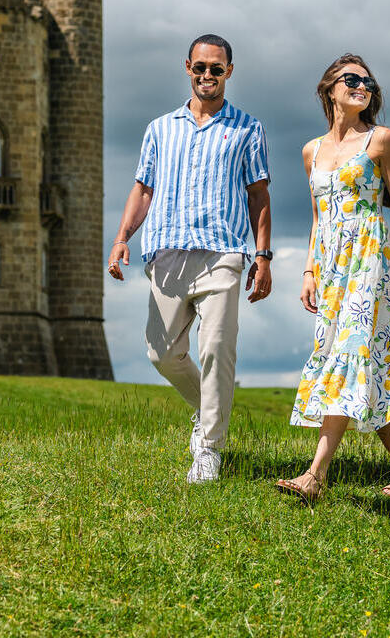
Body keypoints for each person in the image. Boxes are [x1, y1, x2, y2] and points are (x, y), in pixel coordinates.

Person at [277, 53, 390, 502]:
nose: (362, 86)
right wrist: (309, 270)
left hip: (371, 258)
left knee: (351, 354)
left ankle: (315, 476)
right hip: (332, 268)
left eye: (368, 82)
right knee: (360, 362)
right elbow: (317, 218)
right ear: (328, 88)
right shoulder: (311, 150)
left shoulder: (380, 140)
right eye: (351, 79)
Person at [108, 34, 272, 484]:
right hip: (167, 252)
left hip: (223, 252)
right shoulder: (159, 129)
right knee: (161, 353)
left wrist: (263, 256)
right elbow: (143, 189)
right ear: (187, 67)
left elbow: (259, 194)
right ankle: (208, 410)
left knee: (217, 348)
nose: (207, 75)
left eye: (216, 69)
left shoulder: (247, 129)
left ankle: (209, 449)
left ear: (229, 73)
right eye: (200, 67)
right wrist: (122, 237)